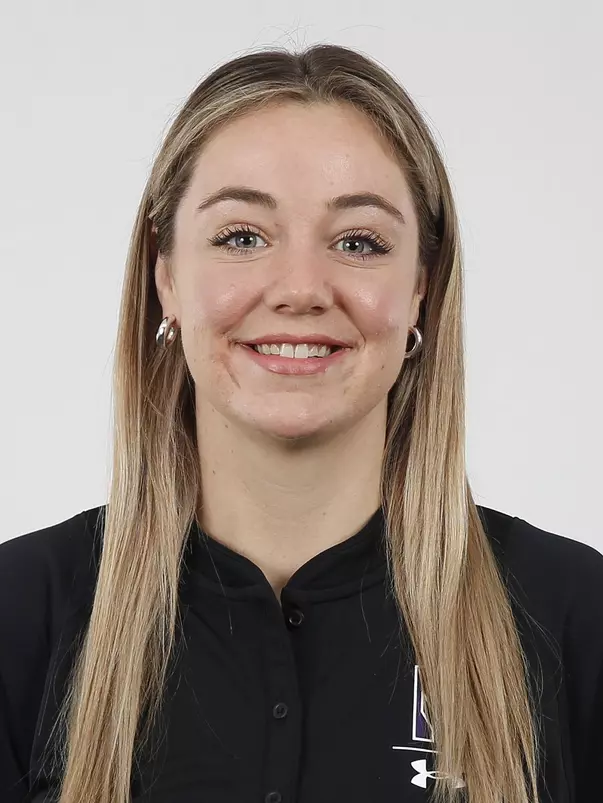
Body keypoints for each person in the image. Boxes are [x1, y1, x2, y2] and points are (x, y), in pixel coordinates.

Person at [1, 43, 601, 803]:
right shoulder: (21, 617)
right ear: (165, 278)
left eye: (358, 242)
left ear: (420, 287)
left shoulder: (571, 618)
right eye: (242, 236)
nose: (299, 289)